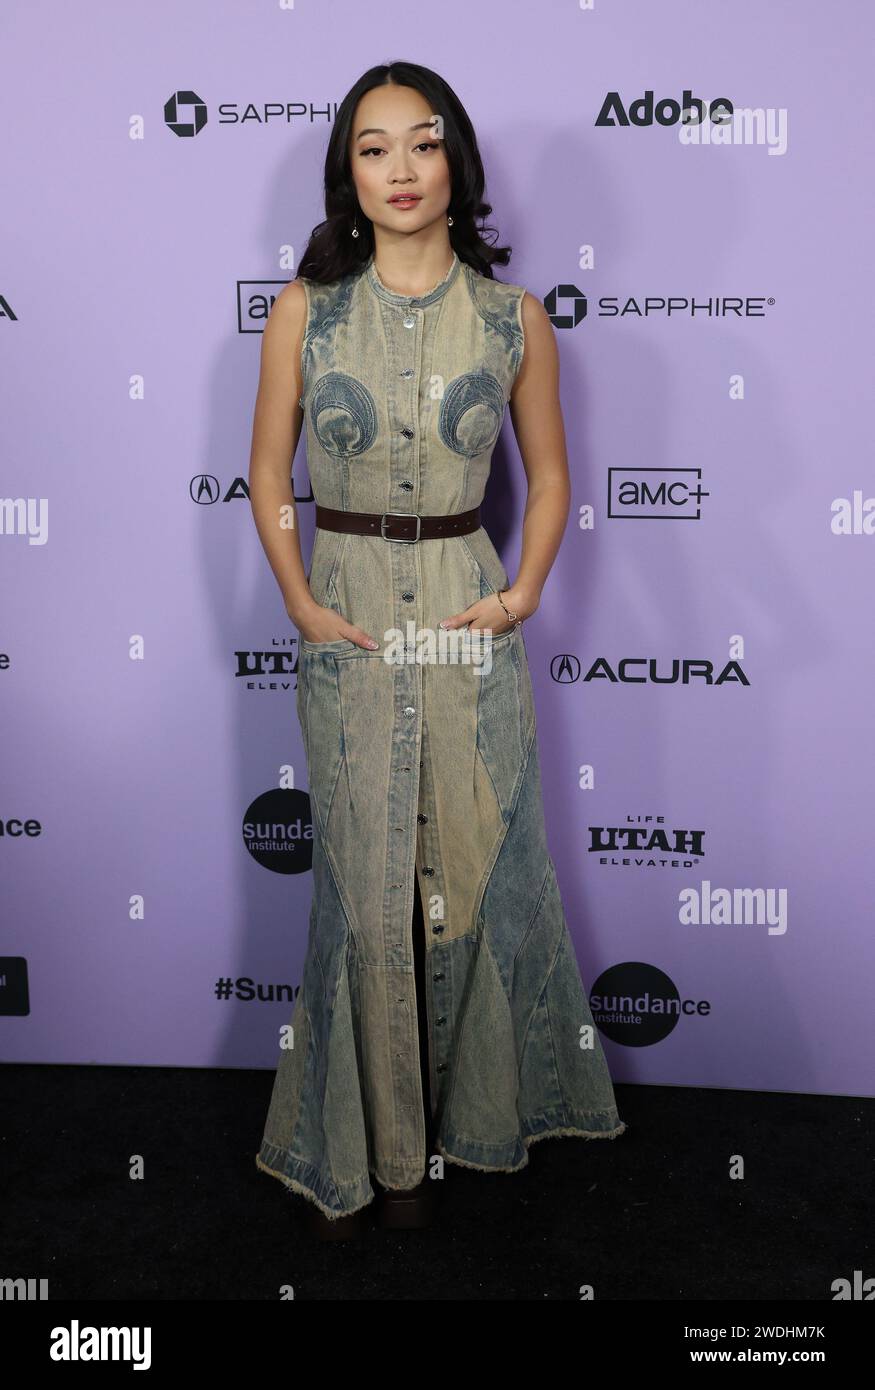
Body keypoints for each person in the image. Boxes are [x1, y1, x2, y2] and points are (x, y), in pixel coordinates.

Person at [249, 60, 626, 1241]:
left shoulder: (516, 318)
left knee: (473, 879)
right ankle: (371, 1153)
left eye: (421, 144)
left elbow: (552, 477)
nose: (399, 170)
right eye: (372, 148)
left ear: (454, 160)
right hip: (350, 613)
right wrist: (303, 602)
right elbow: (267, 477)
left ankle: (478, 1129)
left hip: (467, 616)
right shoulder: (303, 310)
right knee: (365, 897)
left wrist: (518, 594)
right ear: (347, 173)